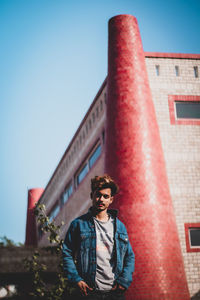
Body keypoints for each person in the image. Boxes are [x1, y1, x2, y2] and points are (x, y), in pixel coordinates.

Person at [62, 175, 135, 300]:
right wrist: (76, 279)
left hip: (114, 293)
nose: (101, 199)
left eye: (106, 196)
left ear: (111, 199)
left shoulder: (120, 227)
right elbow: (66, 252)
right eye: (98, 195)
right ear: (92, 196)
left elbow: (129, 256)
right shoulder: (78, 224)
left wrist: (124, 280)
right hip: (88, 292)